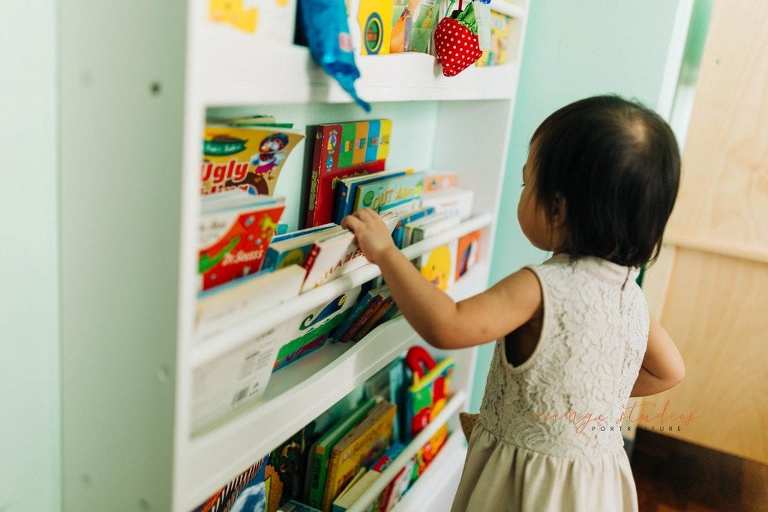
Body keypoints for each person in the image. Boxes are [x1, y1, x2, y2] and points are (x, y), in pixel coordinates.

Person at [342, 95, 686, 511]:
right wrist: (561, 407)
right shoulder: (629, 293)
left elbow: (448, 325)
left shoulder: (539, 287)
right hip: (596, 486)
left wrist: (386, 254)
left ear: (557, 208)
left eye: (526, 183)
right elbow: (669, 371)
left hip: (529, 490)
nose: (521, 193)